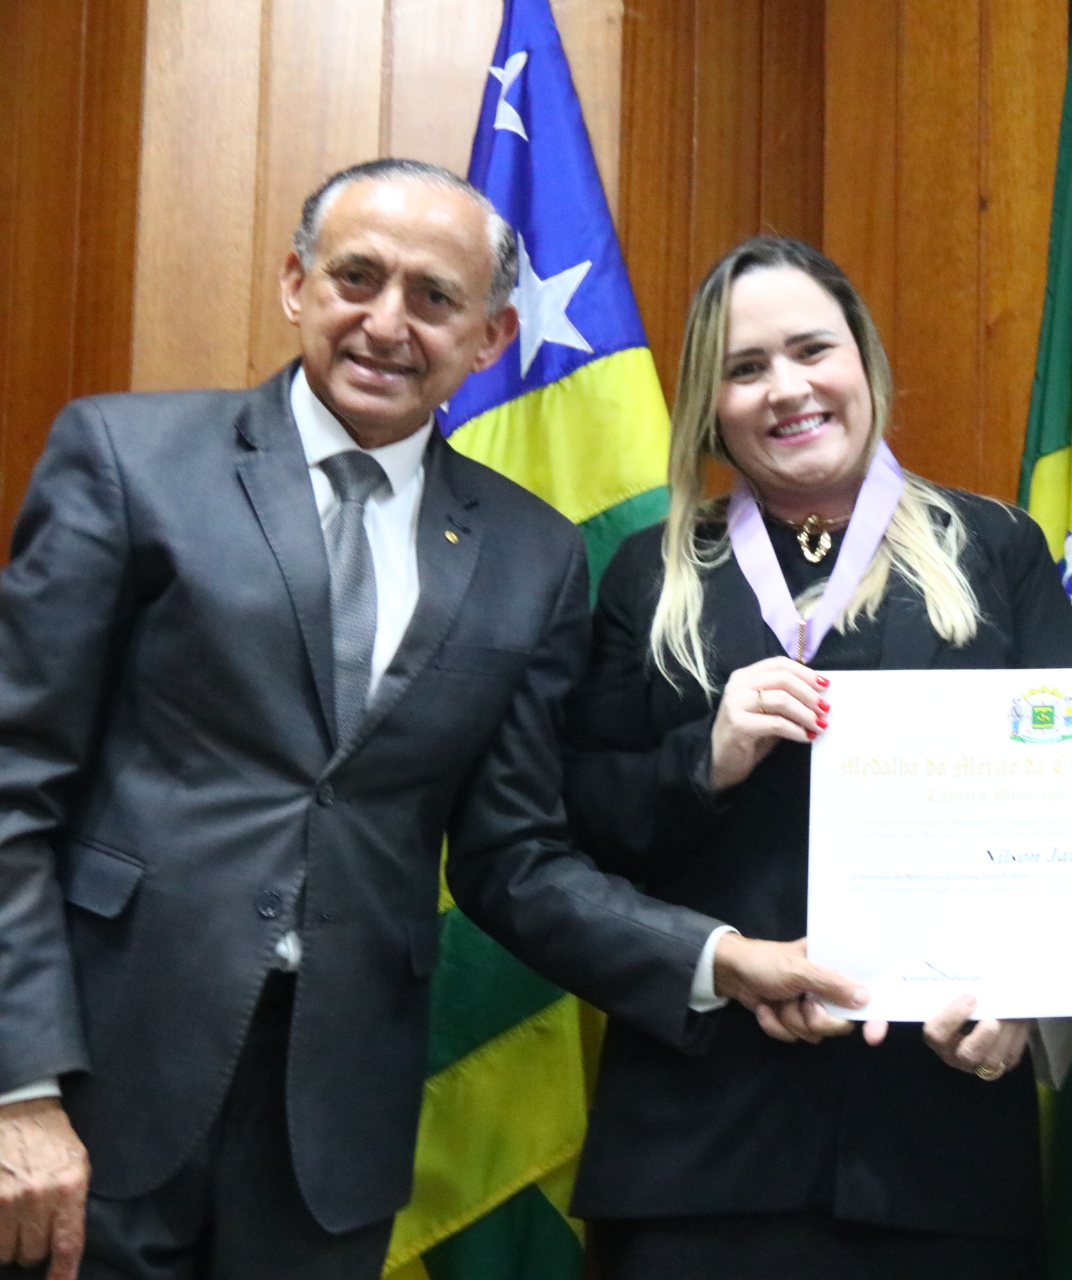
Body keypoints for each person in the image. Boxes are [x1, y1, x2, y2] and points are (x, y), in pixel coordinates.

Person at [0, 160, 860, 1280]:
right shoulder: (130, 460)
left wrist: (723, 959)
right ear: (296, 284)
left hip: (333, 1127)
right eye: (357, 277)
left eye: (434, 297)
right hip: (94, 1086)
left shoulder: (531, 553)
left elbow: (514, 857)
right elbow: (14, 778)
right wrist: (19, 1085)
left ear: (491, 336)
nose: (387, 322)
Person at [561, 235, 1072, 1280]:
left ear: (864, 361)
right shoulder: (649, 574)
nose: (787, 389)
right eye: (745, 368)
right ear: (709, 407)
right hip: (696, 1151)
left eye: (812, 350)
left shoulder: (997, 550)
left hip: (938, 1138)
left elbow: (1071, 815)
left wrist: (1027, 1000)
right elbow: (576, 830)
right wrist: (705, 757)